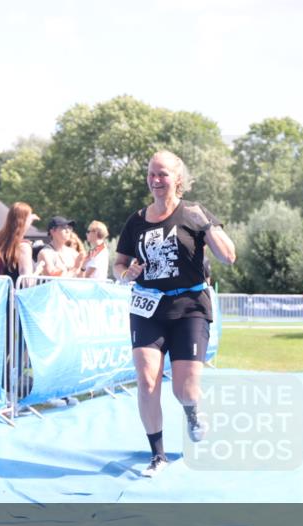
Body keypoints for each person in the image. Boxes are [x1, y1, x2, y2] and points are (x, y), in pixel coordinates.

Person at [113, 150, 236, 477]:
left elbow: (229, 256)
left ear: (177, 179)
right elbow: (119, 264)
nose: (155, 180)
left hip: (190, 308)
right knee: (147, 378)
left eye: (162, 174)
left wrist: (207, 225)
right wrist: (127, 274)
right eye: (151, 174)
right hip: (147, 306)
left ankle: (193, 411)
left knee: (184, 389)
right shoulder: (136, 220)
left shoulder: (194, 213)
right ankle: (158, 455)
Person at [0, 202, 38, 284]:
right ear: (24, 221)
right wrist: (38, 271)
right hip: (13, 295)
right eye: (29, 218)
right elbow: (27, 282)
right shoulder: (23, 247)